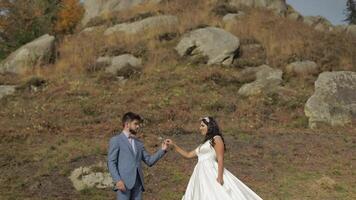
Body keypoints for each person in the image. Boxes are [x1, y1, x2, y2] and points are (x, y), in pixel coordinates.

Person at [166, 116, 263, 200]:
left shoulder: (216, 139)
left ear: (210, 127)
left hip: (210, 172)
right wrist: (174, 145)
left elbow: (220, 159)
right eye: (200, 126)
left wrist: (220, 177)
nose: (200, 128)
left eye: (202, 126)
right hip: (200, 173)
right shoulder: (204, 144)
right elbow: (188, 155)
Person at [107, 112, 170, 200]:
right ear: (127, 124)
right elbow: (111, 162)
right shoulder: (116, 140)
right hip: (123, 184)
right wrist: (117, 180)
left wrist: (162, 149)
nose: (138, 126)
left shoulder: (138, 143)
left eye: (138, 124)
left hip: (138, 185)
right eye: (135, 124)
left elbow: (149, 161)